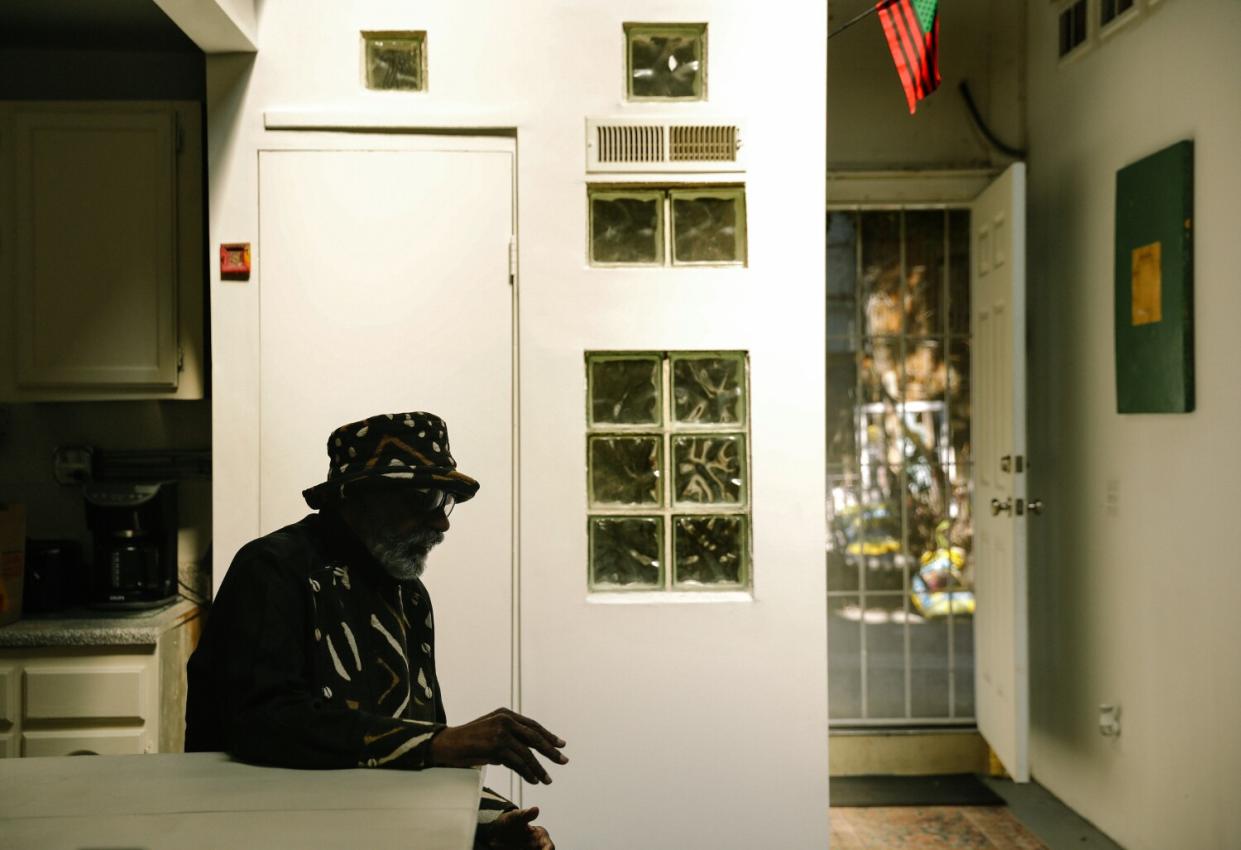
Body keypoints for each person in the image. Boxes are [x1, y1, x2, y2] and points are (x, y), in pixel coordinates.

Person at [185, 412, 566, 850]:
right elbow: (261, 723)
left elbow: (417, 756)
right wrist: (440, 743)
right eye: (423, 498)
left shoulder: (409, 596)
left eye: (446, 501)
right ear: (357, 497)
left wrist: (492, 826)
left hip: (369, 832)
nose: (443, 523)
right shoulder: (274, 569)